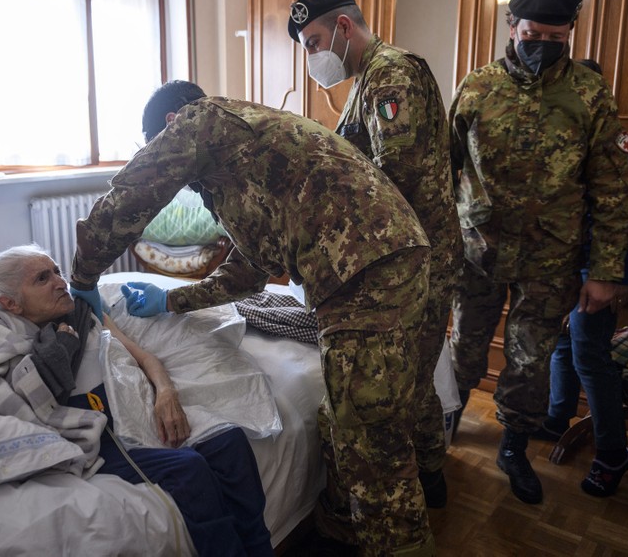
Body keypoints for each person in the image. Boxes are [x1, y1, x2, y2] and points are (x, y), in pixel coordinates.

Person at [69, 81, 439, 555]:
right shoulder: (236, 160)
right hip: (369, 267)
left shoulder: (201, 122)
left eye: (153, 146)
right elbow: (249, 271)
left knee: (372, 443)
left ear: (168, 126)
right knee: (344, 413)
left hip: (368, 270)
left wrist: (83, 275)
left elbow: (132, 193)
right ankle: (339, 530)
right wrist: (172, 301)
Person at [447, 0, 628, 505]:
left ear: (571, 33)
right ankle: (446, 425)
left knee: (531, 362)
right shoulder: (477, 86)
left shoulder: (589, 93)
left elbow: (612, 188)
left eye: (557, 39)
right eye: (534, 35)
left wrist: (604, 272)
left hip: (551, 258)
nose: (543, 47)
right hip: (477, 252)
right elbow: (445, 168)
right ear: (512, 27)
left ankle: (514, 447)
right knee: (463, 350)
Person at [0, 245, 274, 556]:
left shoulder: (82, 314)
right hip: (100, 431)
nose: (59, 282)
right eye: (42, 279)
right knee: (189, 470)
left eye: (56, 271)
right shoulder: (2, 332)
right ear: (9, 303)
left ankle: (259, 548)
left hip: (136, 404)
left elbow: (146, 359)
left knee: (229, 441)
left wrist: (165, 392)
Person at [286, 0, 463, 525]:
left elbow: (396, 173)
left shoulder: (392, 73)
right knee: (413, 377)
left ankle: (408, 495)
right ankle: (431, 473)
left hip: (416, 258)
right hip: (402, 255)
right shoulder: (368, 81)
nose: (312, 56)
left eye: (314, 41)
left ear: (343, 28)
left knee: (397, 387)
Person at [536, 58, 628, 498]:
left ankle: (613, 454)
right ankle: (557, 417)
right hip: (560, 264)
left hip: (594, 269)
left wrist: (611, 276)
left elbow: (627, 215)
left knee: (590, 357)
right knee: (563, 345)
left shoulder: (616, 143)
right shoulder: (558, 139)